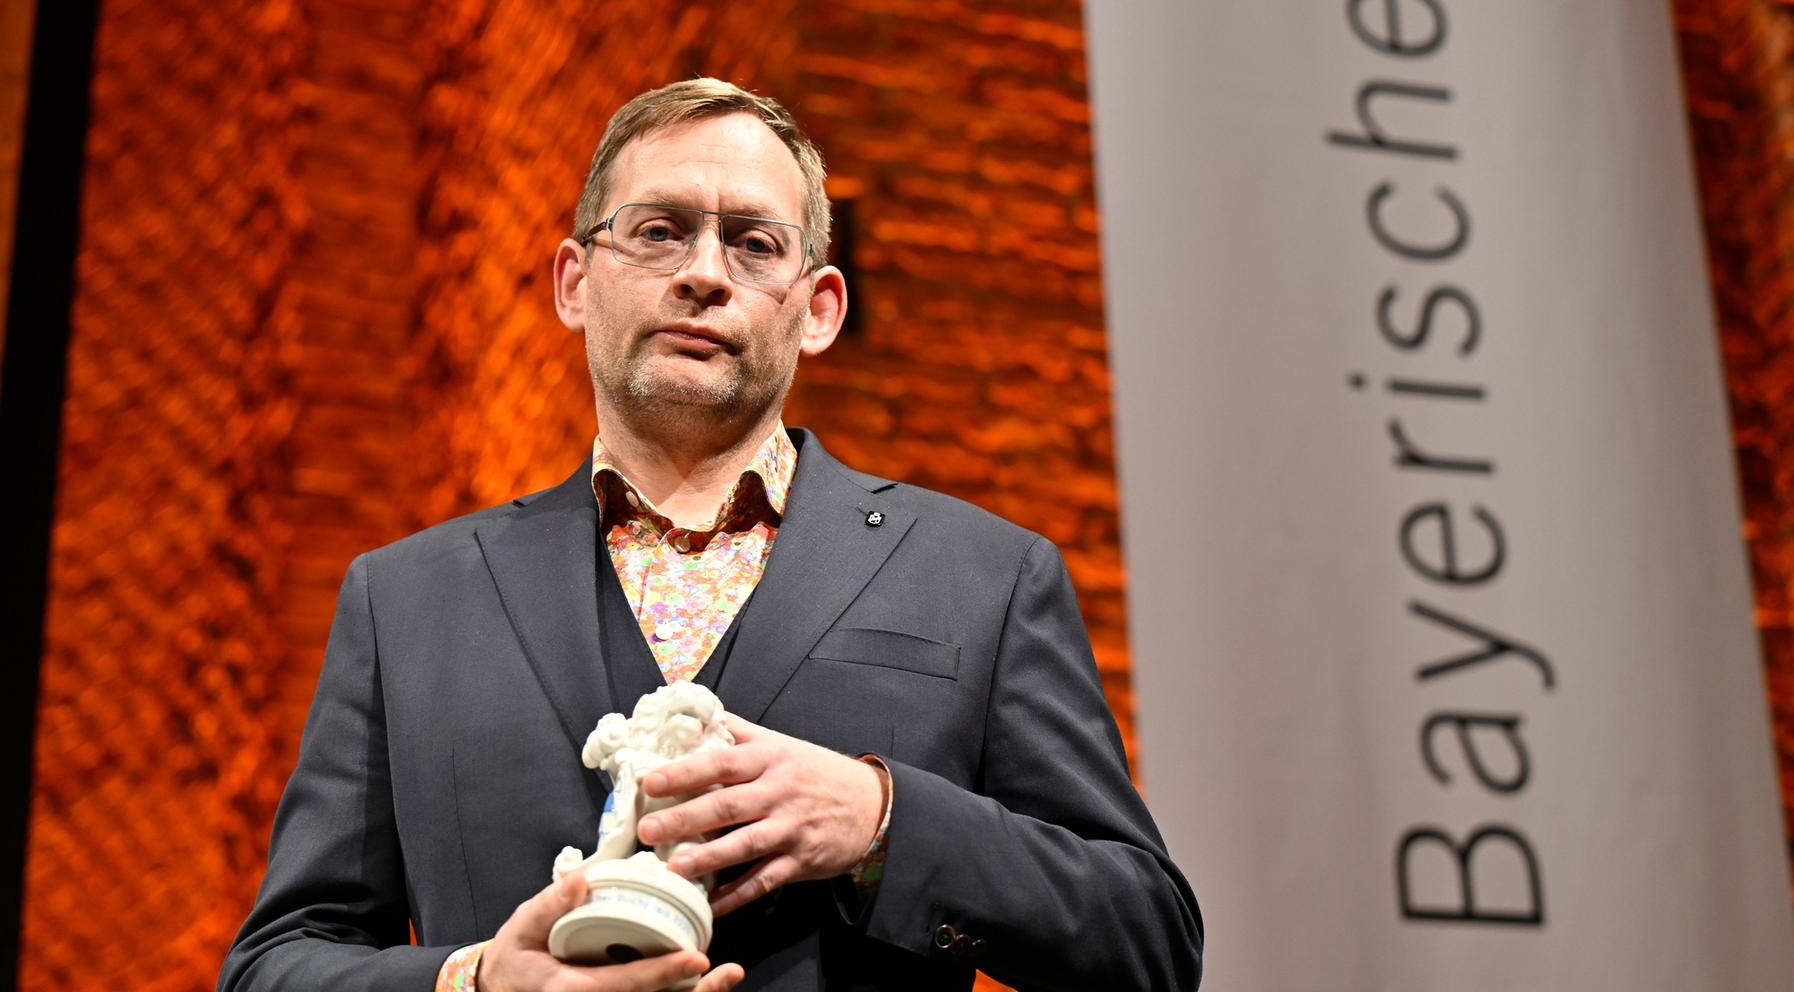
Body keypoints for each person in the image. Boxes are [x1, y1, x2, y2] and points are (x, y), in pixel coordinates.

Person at [220, 78, 1203, 992]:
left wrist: (879, 821)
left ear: (819, 308)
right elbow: (275, 965)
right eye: (659, 231)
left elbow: (1147, 940)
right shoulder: (408, 601)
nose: (702, 274)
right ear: (574, 281)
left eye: (754, 244)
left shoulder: (984, 578)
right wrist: (474, 981)